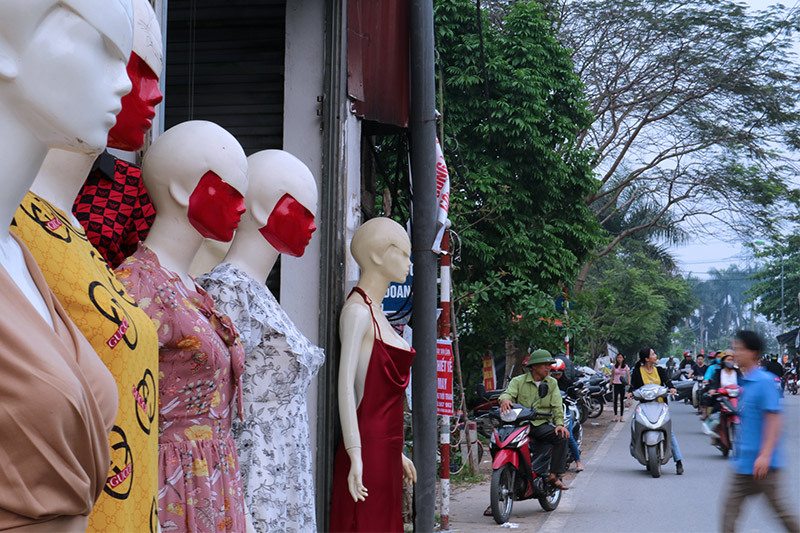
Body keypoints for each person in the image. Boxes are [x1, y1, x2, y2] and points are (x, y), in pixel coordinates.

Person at [721, 331, 799, 533]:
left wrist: (765, 455)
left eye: (739, 349)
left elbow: (774, 420)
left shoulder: (764, 382)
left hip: (764, 466)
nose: (735, 354)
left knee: (783, 514)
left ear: (752, 352)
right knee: (728, 515)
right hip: (743, 464)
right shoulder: (744, 382)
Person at [499, 349, 570, 490]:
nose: (548, 368)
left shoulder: (552, 383)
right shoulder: (518, 381)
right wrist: (505, 400)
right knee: (500, 443)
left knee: (562, 436)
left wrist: (559, 424)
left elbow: (557, 405)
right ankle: (500, 487)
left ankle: (554, 475)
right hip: (519, 425)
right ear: (534, 366)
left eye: (549, 364)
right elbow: (507, 393)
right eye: (545, 364)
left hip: (539, 425)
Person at [628, 347, 684, 475]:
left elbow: (668, 382)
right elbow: (634, 386)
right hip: (644, 406)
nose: (655, 355)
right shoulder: (638, 371)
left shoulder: (660, 370)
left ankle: (678, 460)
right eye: (653, 354)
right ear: (647, 358)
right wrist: (630, 392)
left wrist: (672, 388)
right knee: (635, 425)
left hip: (660, 406)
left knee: (669, 432)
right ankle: (637, 448)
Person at [550, 359, 583, 472]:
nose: (556, 376)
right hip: (550, 413)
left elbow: (574, 397)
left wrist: (569, 398)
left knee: (568, 436)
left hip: (564, 412)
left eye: (558, 373)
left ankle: (578, 461)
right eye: (554, 373)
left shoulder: (568, 383)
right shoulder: (547, 383)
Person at [611, 353, 630, 422]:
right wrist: (610, 383)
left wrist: (629, 384)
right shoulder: (614, 366)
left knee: (622, 401)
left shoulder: (625, 366)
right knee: (615, 401)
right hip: (616, 384)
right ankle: (615, 416)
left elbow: (628, 375)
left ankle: (621, 417)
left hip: (622, 385)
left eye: (620, 357)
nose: (619, 359)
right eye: (618, 357)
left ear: (623, 358)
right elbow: (612, 375)